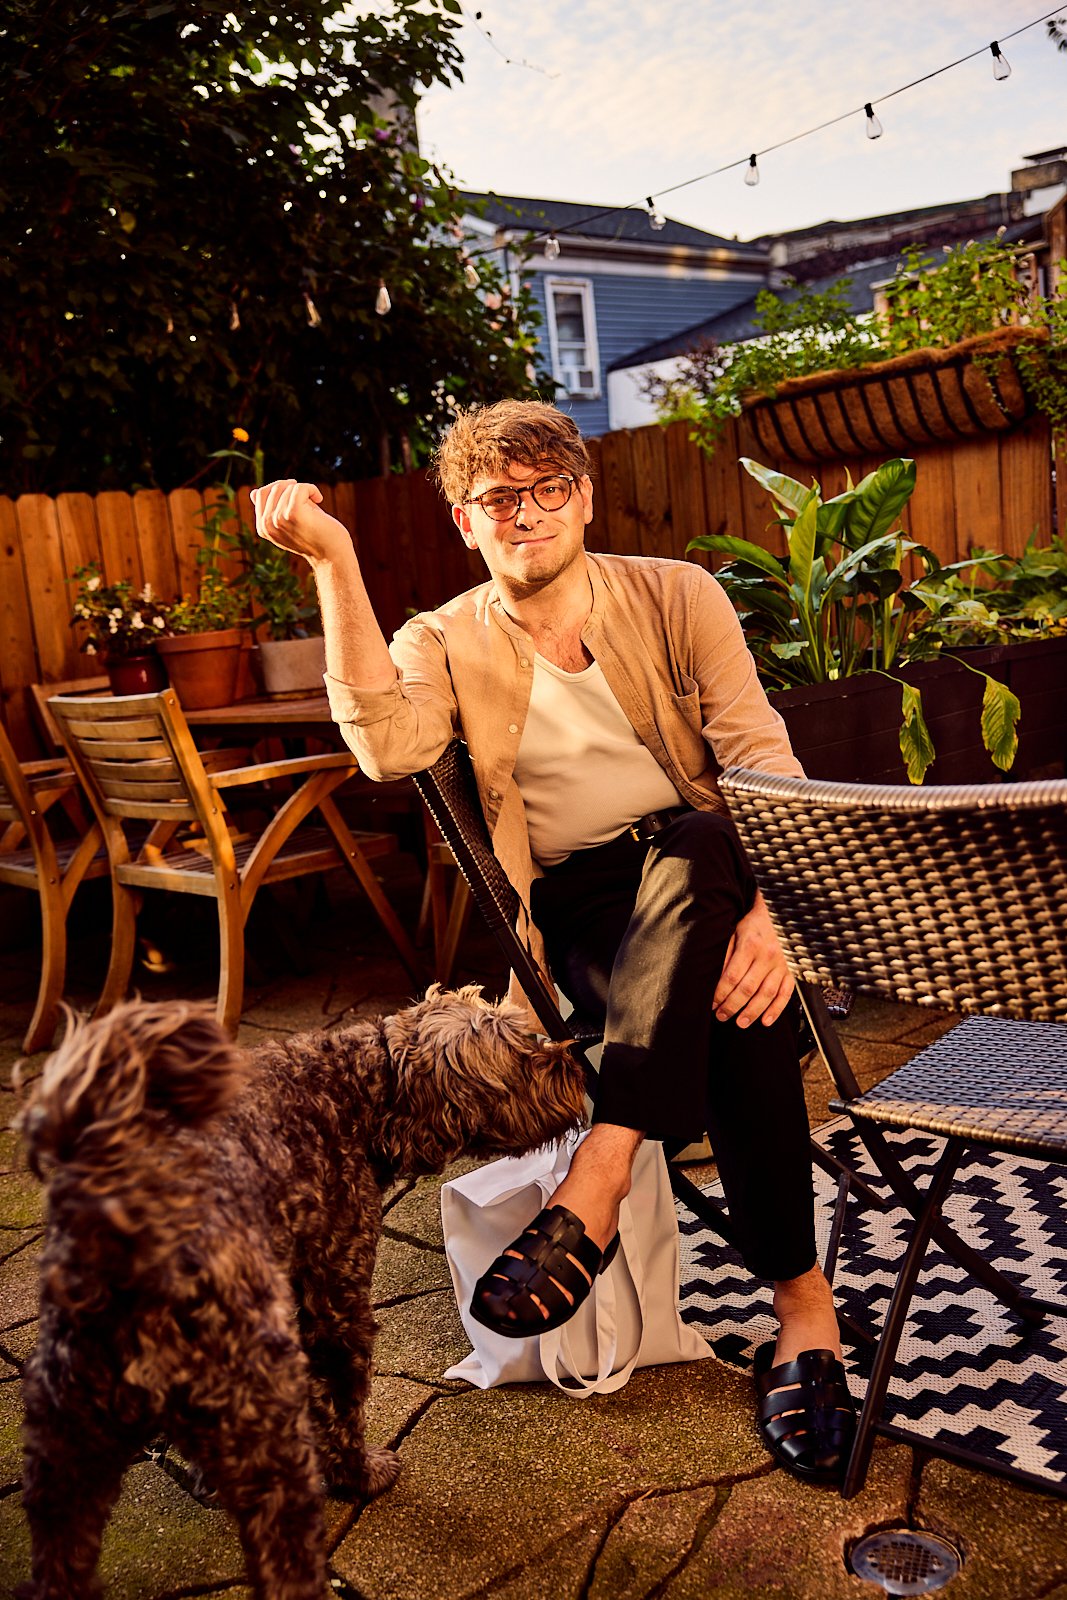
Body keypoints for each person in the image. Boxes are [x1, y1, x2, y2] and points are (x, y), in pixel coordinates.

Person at [251, 398, 856, 1485]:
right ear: (463, 521)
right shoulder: (438, 635)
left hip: (720, 871)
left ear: (579, 496)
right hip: (577, 909)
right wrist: (333, 561)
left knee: (712, 860)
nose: (525, 516)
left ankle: (603, 1166)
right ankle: (802, 1317)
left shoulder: (676, 594)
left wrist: (772, 917)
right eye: (497, 501)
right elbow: (387, 751)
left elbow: (761, 761)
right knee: (736, 1011)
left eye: (546, 491)